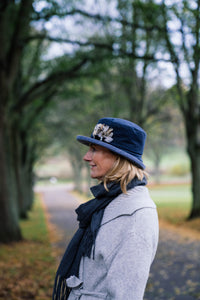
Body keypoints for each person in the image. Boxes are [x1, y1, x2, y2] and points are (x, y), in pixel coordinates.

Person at [53, 117, 159, 300]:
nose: (87, 157)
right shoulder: (107, 202)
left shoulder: (136, 216)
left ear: (119, 157)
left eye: (94, 150)